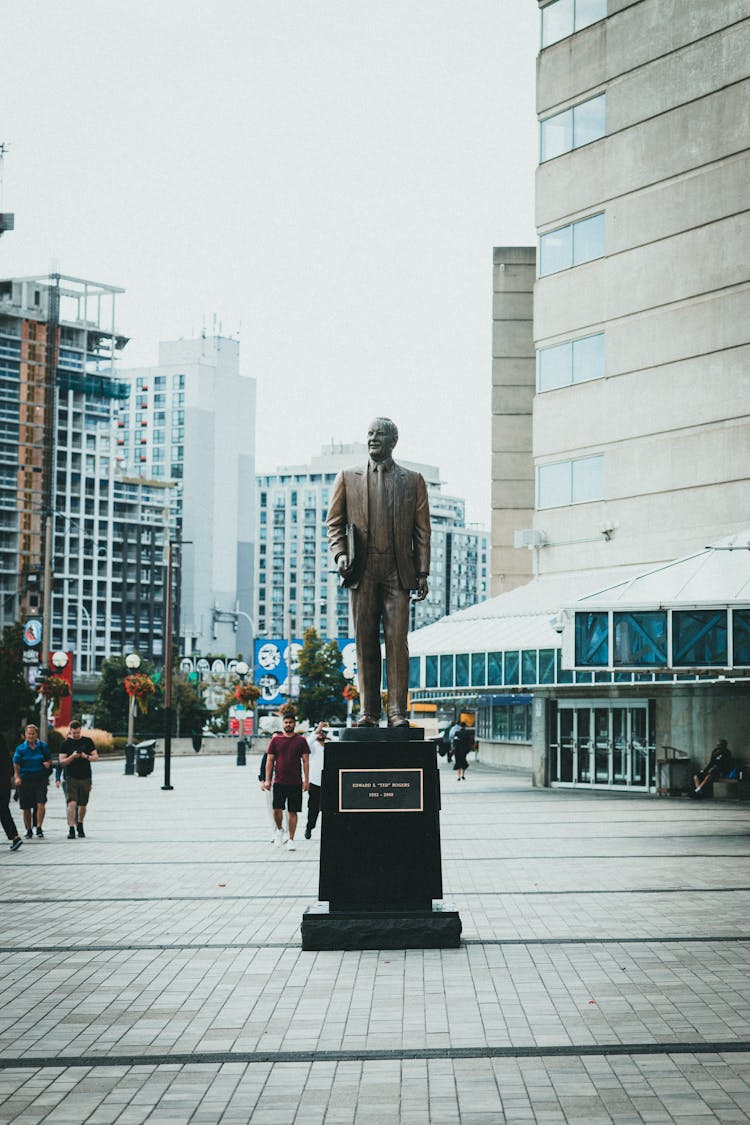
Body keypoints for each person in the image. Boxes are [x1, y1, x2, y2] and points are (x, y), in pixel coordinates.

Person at [327, 417, 431, 726]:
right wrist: (340, 555)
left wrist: (422, 573)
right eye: (369, 434)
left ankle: (397, 711)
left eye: (379, 435)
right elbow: (334, 524)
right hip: (362, 570)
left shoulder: (413, 481)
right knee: (365, 641)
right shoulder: (348, 477)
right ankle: (369, 712)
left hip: (398, 572)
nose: (373, 439)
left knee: (397, 643)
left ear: (392, 442)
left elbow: (422, 531)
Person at [262, 712, 309, 851]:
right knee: (277, 809)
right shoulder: (276, 740)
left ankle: (291, 839)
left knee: (293, 811)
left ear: (295, 724)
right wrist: (267, 780)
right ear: (283, 724)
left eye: (291, 722)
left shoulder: (301, 741)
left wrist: (306, 780)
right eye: (286, 722)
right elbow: (269, 761)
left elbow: (306, 761)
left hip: (295, 782)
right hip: (279, 781)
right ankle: (279, 829)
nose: (288, 725)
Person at [58, 720, 98, 838]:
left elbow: (96, 757)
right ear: (70, 731)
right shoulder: (65, 744)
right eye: (73, 733)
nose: (76, 735)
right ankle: (71, 828)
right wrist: (73, 756)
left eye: (77, 732)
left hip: (85, 777)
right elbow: (62, 763)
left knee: (83, 805)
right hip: (71, 777)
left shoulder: (87, 741)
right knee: (72, 804)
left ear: (80, 730)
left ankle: (80, 824)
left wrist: (85, 756)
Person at [13, 724, 52, 838]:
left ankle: (39, 827)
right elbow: (16, 764)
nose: (31, 736)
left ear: (36, 734)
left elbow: (49, 759)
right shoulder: (20, 749)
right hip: (25, 780)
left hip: (40, 779)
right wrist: (17, 777)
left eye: (33, 734)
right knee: (26, 807)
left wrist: (48, 764)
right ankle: (28, 829)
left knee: (41, 803)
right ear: (25, 735)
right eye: (29, 734)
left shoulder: (42, 746)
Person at [304, 722, 329, 839]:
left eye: (323, 732)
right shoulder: (312, 746)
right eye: (319, 732)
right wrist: (316, 732)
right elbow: (306, 743)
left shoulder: (331, 744)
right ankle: (309, 828)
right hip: (315, 782)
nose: (320, 734)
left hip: (329, 782)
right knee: (313, 808)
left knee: (328, 809)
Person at [0, 733, 23, 851]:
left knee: (3, 810)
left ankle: (15, 837)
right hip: (5, 783)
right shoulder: (4, 747)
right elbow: (9, 763)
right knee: (3, 810)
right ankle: (15, 837)